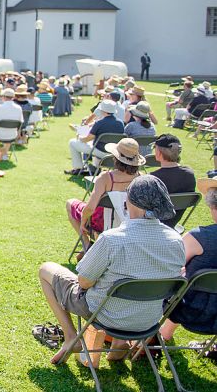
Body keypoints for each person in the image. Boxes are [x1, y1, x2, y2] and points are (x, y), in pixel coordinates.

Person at [39, 175, 184, 364]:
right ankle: (118, 345)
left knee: (45, 269)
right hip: (148, 319)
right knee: (129, 287)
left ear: (131, 202)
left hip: (106, 315)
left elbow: (83, 282)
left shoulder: (112, 239)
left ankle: (70, 337)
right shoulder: (176, 240)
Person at [152, 180, 217, 345]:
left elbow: (168, 267)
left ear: (212, 206)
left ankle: (154, 335)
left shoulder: (198, 237)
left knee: (174, 281)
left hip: (189, 309)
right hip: (205, 311)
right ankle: (164, 333)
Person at [66, 137, 143, 252]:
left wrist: (83, 221)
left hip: (103, 223)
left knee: (70, 203)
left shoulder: (106, 178)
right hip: (130, 223)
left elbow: (90, 208)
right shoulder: (141, 178)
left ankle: (87, 246)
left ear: (115, 158)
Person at [65, 100, 124, 175]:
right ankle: (94, 168)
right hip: (114, 152)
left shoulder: (99, 123)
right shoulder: (120, 123)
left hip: (101, 151)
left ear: (102, 110)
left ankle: (78, 168)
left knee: (72, 142)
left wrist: (79, 136)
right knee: (94, 143)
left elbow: (87, 139)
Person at [0, 88, 24, 161]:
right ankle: (4, 155)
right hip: (12, 135)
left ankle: (2, 154)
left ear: (4, 97)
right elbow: (20, 122)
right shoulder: (18, 108)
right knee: (8, 133)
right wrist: (18, 134)